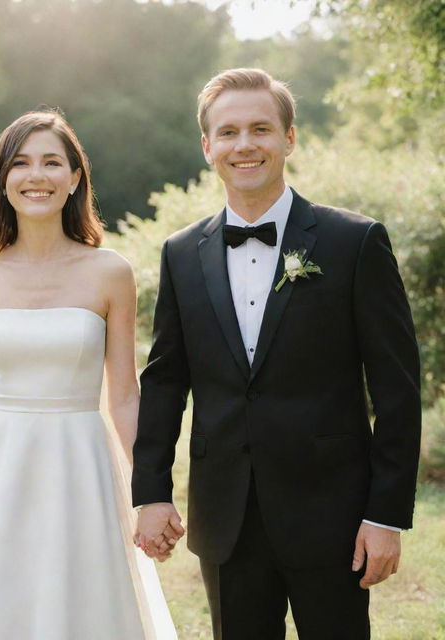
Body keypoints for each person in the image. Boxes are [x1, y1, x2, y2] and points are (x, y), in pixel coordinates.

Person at [132, 68, 421, 639]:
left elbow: (396, 387)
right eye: (230, 131)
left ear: (289, 138)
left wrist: (385, 515)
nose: (246, 144)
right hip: (226, 520)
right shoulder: (181, 253)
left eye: (261, 128)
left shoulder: (354, 242)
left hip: (334, 516)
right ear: (207, 146)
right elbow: (165, 381)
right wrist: (152, 493)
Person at [0, 109, 177, 640]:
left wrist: (151, 496)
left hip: (81, 467)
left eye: (51, 162)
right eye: (20, 163)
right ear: (3, 180)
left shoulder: (109, 272)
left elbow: (124, 398)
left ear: (74, 180)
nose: (36, 175)